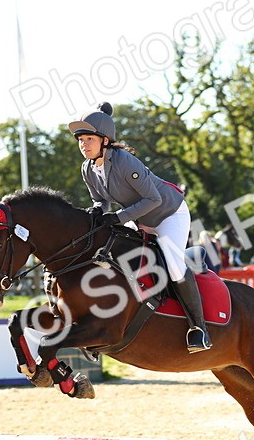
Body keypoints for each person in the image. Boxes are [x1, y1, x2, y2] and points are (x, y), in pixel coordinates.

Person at [69, 101, 211, 352]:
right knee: (114, 256)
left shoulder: (124, 161)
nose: (83, 145)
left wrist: (119, 217)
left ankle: (199, 329)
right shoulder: (87, 168)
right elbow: (100, 201)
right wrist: (98, 212)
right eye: (80, 140)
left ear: (104, 140)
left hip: (169, 213)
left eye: (89, 139)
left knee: (175, 267)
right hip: (140, 219)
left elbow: (154, 199)